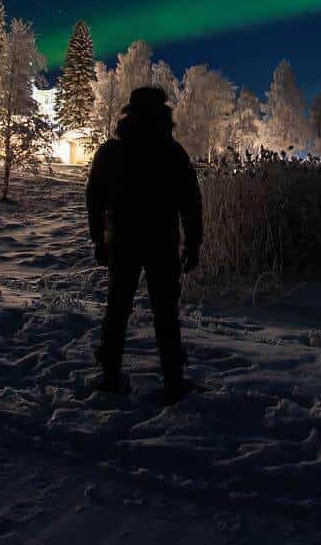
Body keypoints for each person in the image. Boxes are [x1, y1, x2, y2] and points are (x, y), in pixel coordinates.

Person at [85, 86, 202, 403]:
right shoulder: (173, 152)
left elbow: (94, 196)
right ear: (163, 114)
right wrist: (193, 243)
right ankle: (173, 381)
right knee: (165, 312)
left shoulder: (111, 151)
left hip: (121, 241)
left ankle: (110, 375)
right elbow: (191, 202)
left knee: (117, 308)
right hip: (162, 243)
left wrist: (98, 236)